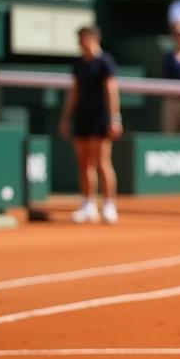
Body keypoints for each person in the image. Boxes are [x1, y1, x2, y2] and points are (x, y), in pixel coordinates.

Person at [58, 26, 121, 224]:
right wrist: (66, 118)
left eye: (81, 38)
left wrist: (114, 118)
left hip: (100, 119)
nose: (79, 42)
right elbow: (73, 92)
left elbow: (111, 91)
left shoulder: (105, 62)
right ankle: (88, 204)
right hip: (82, 118)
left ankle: (109, 205)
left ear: (92, 39)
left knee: (102, 162)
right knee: (84, 163)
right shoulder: (78, 64)